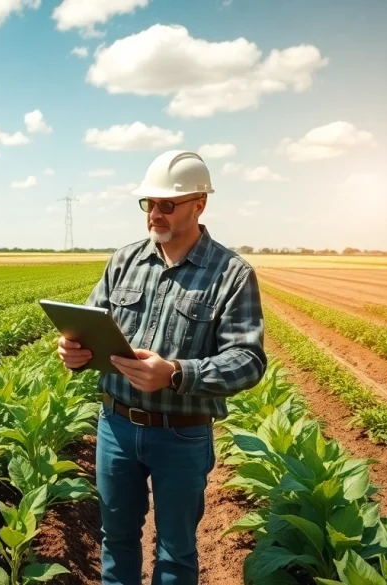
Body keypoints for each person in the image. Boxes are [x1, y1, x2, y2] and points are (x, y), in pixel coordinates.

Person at [57, 149, 267, 585]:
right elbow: (89, 326)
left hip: (182, 433)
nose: (155, 213)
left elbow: (248, 361)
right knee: (116, 538)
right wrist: (74, 351)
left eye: (166, 205)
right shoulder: (124, 261)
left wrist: (175, 372)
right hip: (115, 426)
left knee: (175, 550)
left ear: (199, 204)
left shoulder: (231, 273)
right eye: (149, 204)